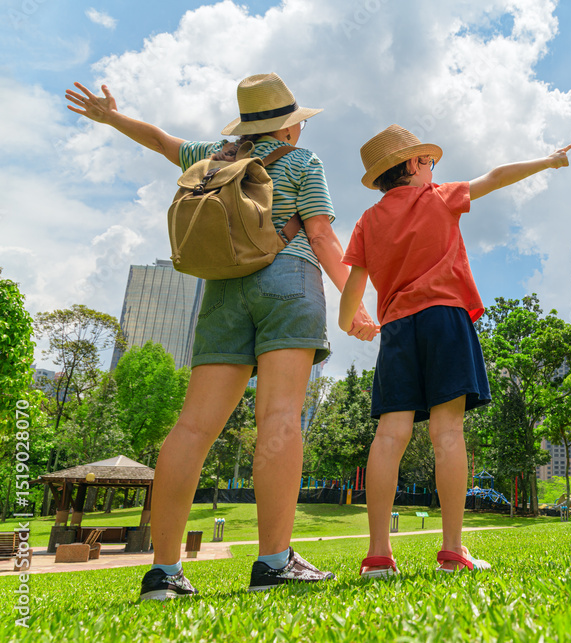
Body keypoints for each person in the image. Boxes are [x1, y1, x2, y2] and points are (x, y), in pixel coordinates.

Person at [65, 73, 378, 600]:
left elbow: (164, 141)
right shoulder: (304, 162)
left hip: (223, 289)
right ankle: (274, 562)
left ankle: (163, 574)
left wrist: (111, 116)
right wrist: (357, 306)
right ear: (291, 127)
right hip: (288, 281)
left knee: (192, 428)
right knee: (279, 417)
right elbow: (321, 236)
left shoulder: (215, 152)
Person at [339, 124, 571, 576]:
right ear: (411, 165)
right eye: (428, 161)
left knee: (390, 433)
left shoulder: (368, 220)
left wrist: (354, 321)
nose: (433, 168)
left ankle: (378, 556)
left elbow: (354, 288)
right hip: (445, 318)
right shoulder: (440, 197)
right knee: (447, 431)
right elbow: (497, 176)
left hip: (398, 328)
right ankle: (451, 551)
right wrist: (548, 160)